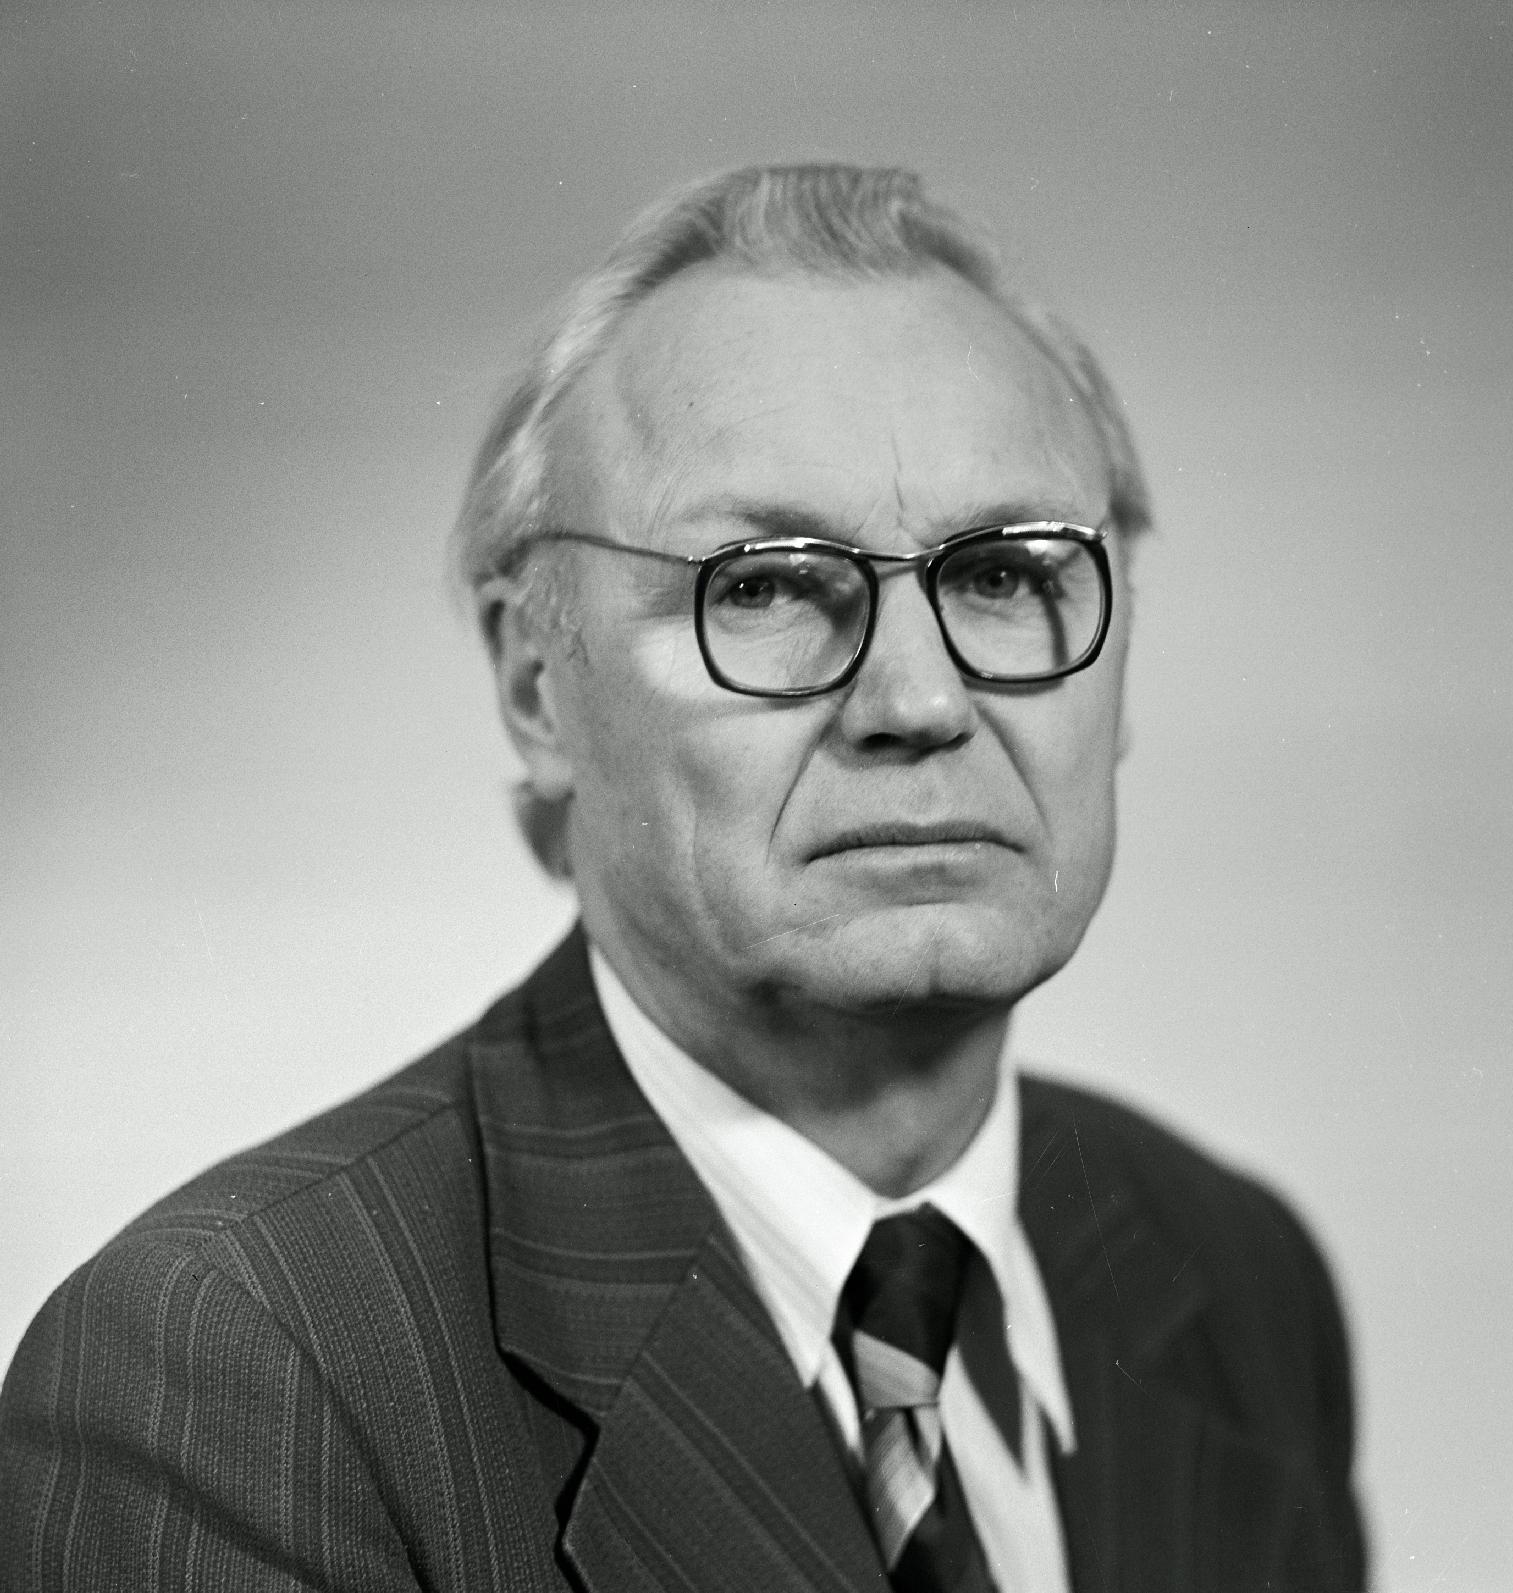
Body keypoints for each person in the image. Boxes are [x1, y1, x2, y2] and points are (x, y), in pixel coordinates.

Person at [0, 165, 1365, 1592]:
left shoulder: (1235, 1277)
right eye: (764, 584)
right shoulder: (242, 1379)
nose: (919, 699)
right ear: (537, 685)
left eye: (1004, 577)